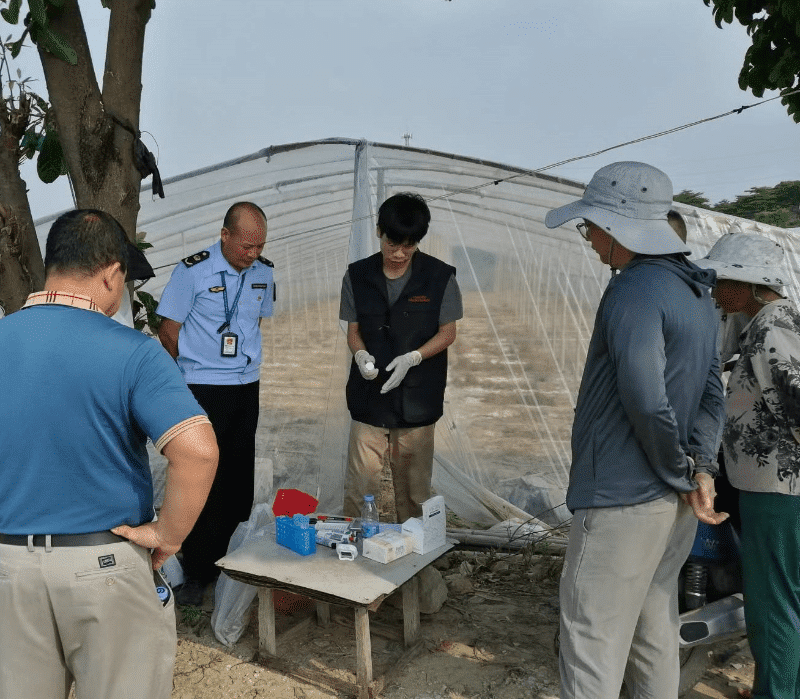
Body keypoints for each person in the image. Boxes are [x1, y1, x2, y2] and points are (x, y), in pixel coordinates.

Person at [0, 209, 218, 699]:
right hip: (102, 566)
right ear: (112, 273)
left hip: (7, 570)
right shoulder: (133, 352)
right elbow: (198, 451)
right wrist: (168, 533)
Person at [544, 161, 728, 699]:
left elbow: (646, 399)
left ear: (614, 224)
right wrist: (701, 470)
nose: (591, 241)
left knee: (590, 643)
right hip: (674, 507)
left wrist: (676, 468)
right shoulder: (696, 293)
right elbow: (711, 394)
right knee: (654, 633)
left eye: (590, 228)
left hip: (623, 498)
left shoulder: (634, 290)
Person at [695, 231, 800, 699]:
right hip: (777, 487)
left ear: (755, 284)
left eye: (724, 281)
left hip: (778, 491)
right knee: (786, 600)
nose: (716, 291)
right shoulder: (763, 325)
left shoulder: (770, 329)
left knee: (773, 605)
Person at [156, 201, 275, 606]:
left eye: (259, 246)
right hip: (203, 387)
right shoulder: (193, 271)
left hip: (246, 386)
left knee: (239, 475)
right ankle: (198, 569)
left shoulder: (264, 274)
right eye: (246, 246)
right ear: (225, 236)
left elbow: (254, 323)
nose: (253, 254)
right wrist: (189, 373)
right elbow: (168, 330)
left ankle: (234, 561)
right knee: (201, 475)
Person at [340, 192, 463, 522]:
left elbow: (447, 332)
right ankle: (352, 556)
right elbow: (354, 330)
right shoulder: (357, 276)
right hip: (370, 396)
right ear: (379, 231)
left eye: (408, 245)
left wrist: (414, 358)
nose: (398, 253)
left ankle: (415, 562)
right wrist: (361, 354)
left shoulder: (440, 278)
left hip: (417, 399)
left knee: (414, 493)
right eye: (392, 242)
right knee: (359, 488)